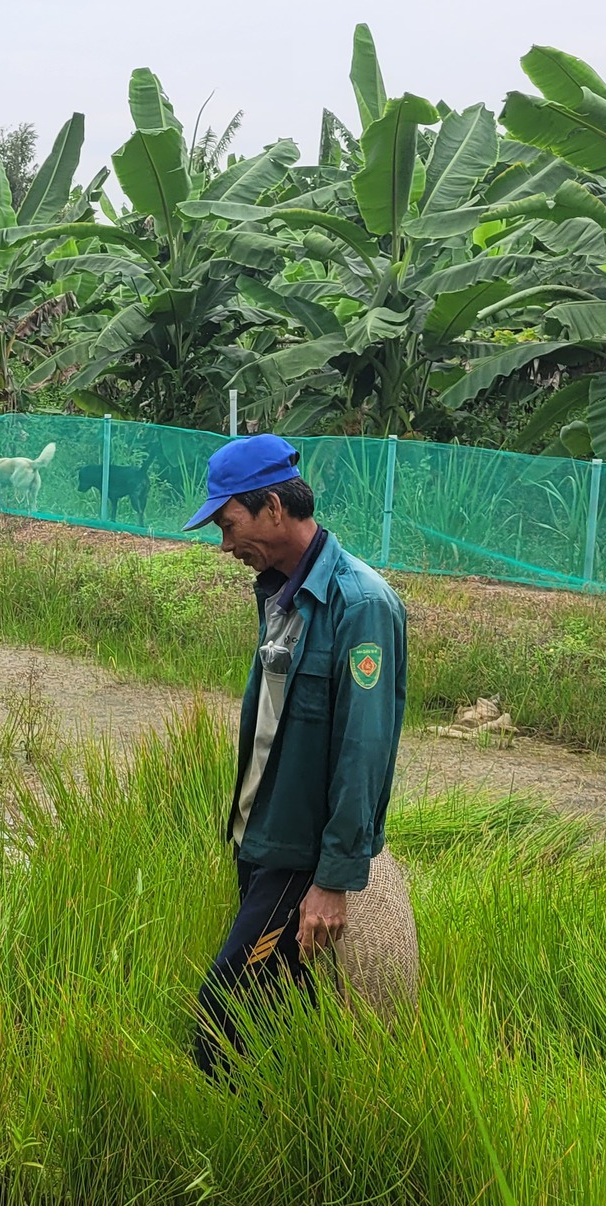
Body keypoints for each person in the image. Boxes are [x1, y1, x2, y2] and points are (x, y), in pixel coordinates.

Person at [186, 435, 406, 1073]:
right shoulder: (278, 593)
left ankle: (213, 1128)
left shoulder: (360, 606)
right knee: (285, 1005)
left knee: (222, 1011)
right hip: (259, 839)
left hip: (297, 857)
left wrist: (332, 882)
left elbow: (363, 754)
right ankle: (287, 1118)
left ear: (274, 508)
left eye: (228, 525)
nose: (225, 546)